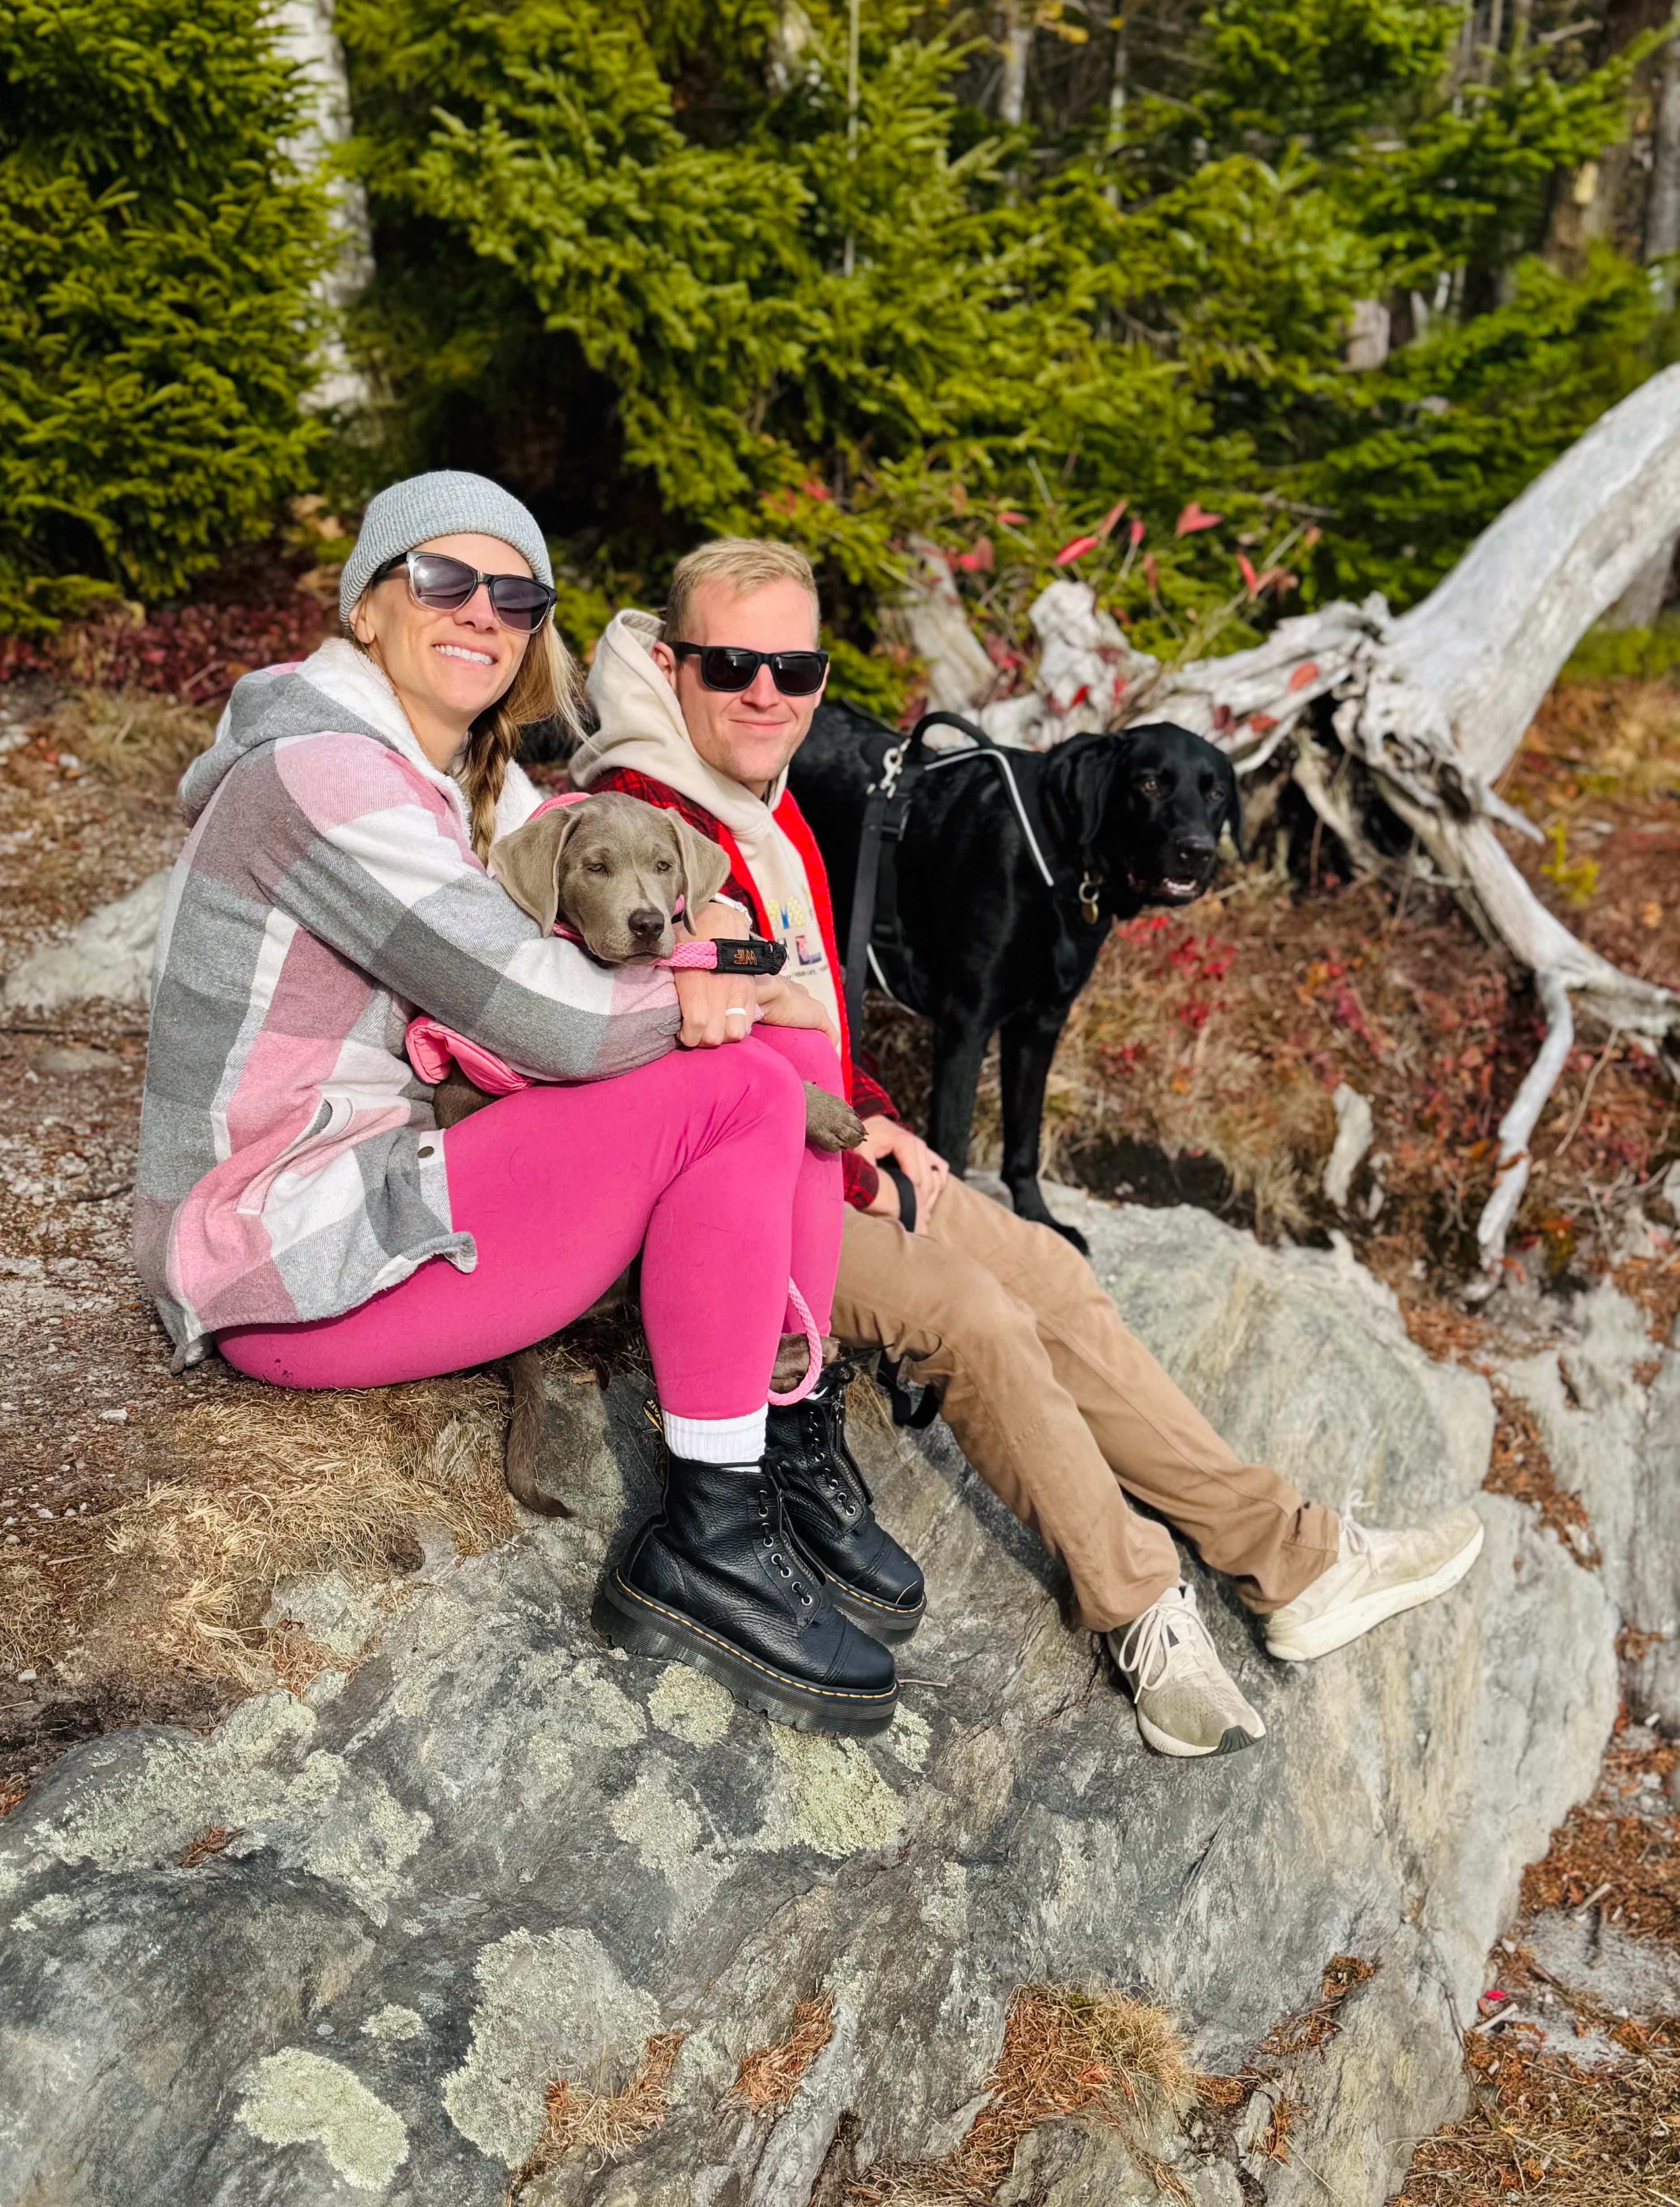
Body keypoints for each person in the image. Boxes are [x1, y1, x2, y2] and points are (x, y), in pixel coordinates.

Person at [571, 537, 1485, 1760]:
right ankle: (1140, 1606)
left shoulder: (753, 793)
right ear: (673, 664)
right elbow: (659, 1055)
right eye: (733, 662)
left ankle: (1294, 1558)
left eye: (798, 668)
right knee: (980, 1319)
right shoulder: (639, 820)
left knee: (1050, 1274)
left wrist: (871, 1114)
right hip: (717, 1207)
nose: (768, 694)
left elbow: (800, 1024)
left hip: (819, 1153)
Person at [133, 473, 908, 1736]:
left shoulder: (450, 777)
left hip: (387, 1192)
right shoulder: (323, 778)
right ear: (367, 608)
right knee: (733, 1088)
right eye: (442, 579)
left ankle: (779, 1440)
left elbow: (634, 870)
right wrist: (710, 990)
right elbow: (550, 1018)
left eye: (517, 594)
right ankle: (709, 1534)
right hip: (280, 1256)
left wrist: (713, 944)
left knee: (799, 1068)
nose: (482, 612)